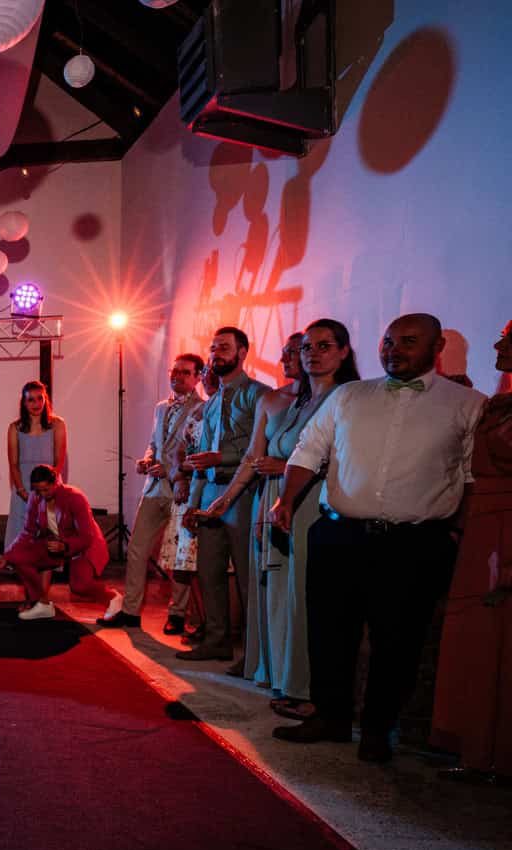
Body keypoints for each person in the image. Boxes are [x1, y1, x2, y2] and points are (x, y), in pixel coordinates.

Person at [271, 314, 485, 764]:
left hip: (414, 544)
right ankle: (329, 717)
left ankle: (376, 729)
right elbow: (309, 450)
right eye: (387, 342)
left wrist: (456, 533)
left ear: (436, 345)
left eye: (408, 342)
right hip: (339, 535)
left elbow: (470, 478)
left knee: (397, 640)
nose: (394, 350)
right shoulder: (349, 395)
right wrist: (286, 501)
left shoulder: (467, 404)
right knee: (329, 633)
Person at [194, 324, 357, 708]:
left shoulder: (348, 398)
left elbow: (339, 457)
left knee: (303, 596)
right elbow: (254, 456)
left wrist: (283, 467)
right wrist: (224, 500)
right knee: (276, 591)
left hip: (314, 500)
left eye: (321, 347)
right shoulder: (289, 400)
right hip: (272, 498)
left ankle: (307, 689)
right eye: (303, 349)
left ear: (344, 352)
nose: (307, 355)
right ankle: (282, 676)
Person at [432, 319, 512, 779]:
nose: (498, 343)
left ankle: (496, 752)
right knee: (473, 640)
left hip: (506, 533)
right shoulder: (495, 402)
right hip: (480, 526)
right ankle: (476, 749)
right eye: (500, 334)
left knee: (495, 639)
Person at [177, 327, 267, 664]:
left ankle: (254, 652)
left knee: (247, 577)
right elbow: (202, 456)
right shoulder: (212, 402)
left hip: (242, 493)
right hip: (210, 491)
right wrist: (194, 504)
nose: (216, 354)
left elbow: (262, 448)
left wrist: (223, 457)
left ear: (243, 352)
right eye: (213, 348)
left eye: (224, 348)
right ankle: (217, 640)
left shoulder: (259, 395)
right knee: (209, 571)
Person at [101, 354, 205, 631]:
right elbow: (153, 443)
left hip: (181, 490)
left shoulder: (202, 409)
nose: (177, 377)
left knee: (177, 557)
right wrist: (147, 460)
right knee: (136, 550)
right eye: (175, 371)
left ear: (198, 377)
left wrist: (169, 468)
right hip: (154, 489)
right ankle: (132, 611)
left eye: (185, 373)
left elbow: (196, 452)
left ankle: (177, 614)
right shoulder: (161, 407)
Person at [1, 464, 109, 620]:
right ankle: (42, 603)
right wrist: (8, 556)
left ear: (55, 483)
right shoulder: (35, 498)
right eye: (39, 490)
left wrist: (65, 546)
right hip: (55, 547)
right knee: (18, 557)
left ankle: (113, 598)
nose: (43, 494)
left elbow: (86, 536)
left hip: (82, 546)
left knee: (80, 587)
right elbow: (28, 532)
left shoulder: (75, 497)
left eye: (46, 489)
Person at [3, 380, 68, 550]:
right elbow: (14, 463)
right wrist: (22, 491)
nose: (36, 403)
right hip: (23, 485)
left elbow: (59, 460)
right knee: (22, 530)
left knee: (50, 528)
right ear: (24, 403)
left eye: (40, 398)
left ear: (45, 399)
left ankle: (51, 570)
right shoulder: (14, 428)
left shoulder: (58, 425)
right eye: (31, 400)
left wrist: (49, 488)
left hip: (50, 485)